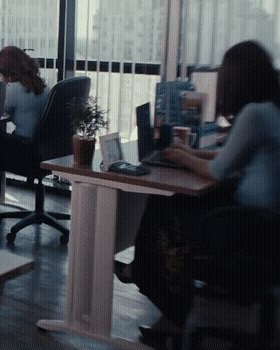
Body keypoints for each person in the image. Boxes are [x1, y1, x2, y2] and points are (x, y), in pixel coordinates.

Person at [116, 41, 280, 337]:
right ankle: (165, 306)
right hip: (265, 223)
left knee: (164, 208)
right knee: (171, 205)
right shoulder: (271, 111)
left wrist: (182, 155)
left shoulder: (255, 114)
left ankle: (143, 273)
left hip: (249, 226)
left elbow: (217, 170)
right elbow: (230, 155)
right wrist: (189, 152)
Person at [0, 46, 51, 225]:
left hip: (27, 154)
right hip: (45, 153)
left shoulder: (14, 89)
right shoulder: (43, 87)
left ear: (8, 73)